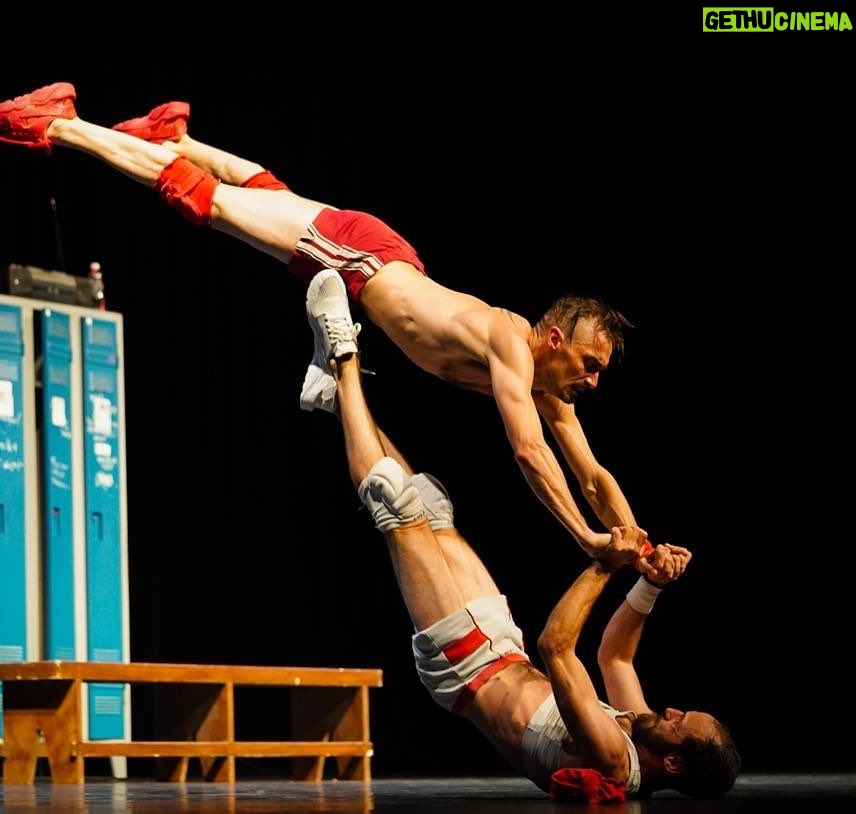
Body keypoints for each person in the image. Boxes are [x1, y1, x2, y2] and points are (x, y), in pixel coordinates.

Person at [0, 82, 644, 563]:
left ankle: (174, 137)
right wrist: (585, 540)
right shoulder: (510, 340)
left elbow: (592, 476)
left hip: (374, 260)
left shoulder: (543, 388)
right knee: (206, 202)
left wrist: (636, 541)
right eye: (590, 364)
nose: (590, 381)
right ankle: (58, 124)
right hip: (363, 261)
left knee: (270, 204)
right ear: (555, 337)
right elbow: (529, 453)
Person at [301, 269, 740, 799]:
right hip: (501, 646)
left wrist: (604, 564)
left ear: (672, 763)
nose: (670, 711)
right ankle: (334, 396)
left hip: (464, 668)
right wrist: (649, 582)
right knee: (431, 505)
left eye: (680, 722)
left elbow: (557, 648)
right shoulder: (639, 727)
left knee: (395, 507)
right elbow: (615, 658)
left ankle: (343, 357)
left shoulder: (613, 757)